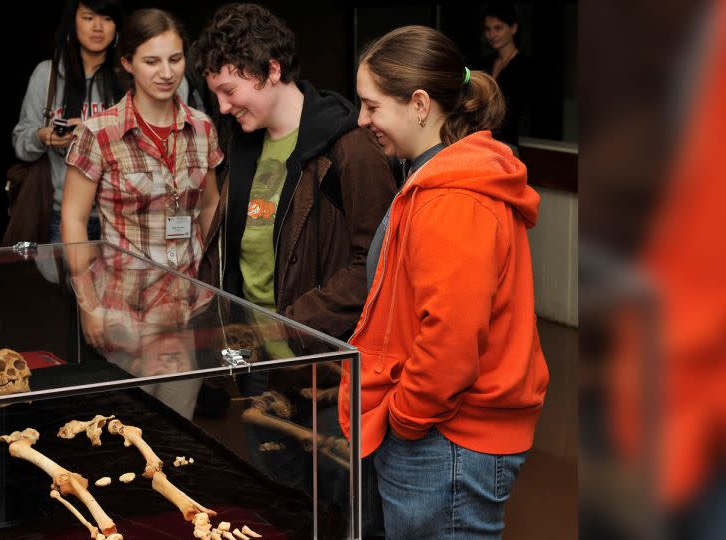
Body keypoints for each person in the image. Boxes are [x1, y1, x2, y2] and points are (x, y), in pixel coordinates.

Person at [339, 25, 549, 539]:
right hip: (441, 432)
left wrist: (406, 420)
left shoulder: (452, 197)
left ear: (418, 103)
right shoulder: (433, 177)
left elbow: (452, 338)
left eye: (371, 106)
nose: (362, 119)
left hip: (447, 438)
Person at [191, 1, 396, 522]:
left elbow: (374, 265)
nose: (221, 106)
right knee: (280, 504)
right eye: (214, 93)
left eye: (229, 90)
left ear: (271, 70)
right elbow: (233, 252)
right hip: (260, 368)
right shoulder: (243, 143)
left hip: (327, 376)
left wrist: (294, 323)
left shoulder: (350, 147)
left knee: (344, 508)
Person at [62, 9, 223, 417]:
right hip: (121, 313)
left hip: (184, 314)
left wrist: (207, 277)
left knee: (181, 433)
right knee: (125, 430)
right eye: (152, 61)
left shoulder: (202, 128)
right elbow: (74, 219)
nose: (166, 72)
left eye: (175, 59)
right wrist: (89, 305)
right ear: (128, 63)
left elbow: (209, 205)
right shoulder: (99, 133)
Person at [12, 0, 125, 243]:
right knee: (64, 281)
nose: (98, 27)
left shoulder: (128, 75)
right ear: (72, 23)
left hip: (121, 215)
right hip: (60, 213)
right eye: (88, 17)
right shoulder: (47, 74)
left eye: (107, 19)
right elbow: (20, 142)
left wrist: (90, 131)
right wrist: (42, 137)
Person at [480, 2, 529, 150]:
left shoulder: (525, 66)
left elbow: (516, 110)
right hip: (481, 140)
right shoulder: (485, 63)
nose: (492, 35)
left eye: (498, 28)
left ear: (513, 28)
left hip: (506, 144)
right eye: (488, 29)